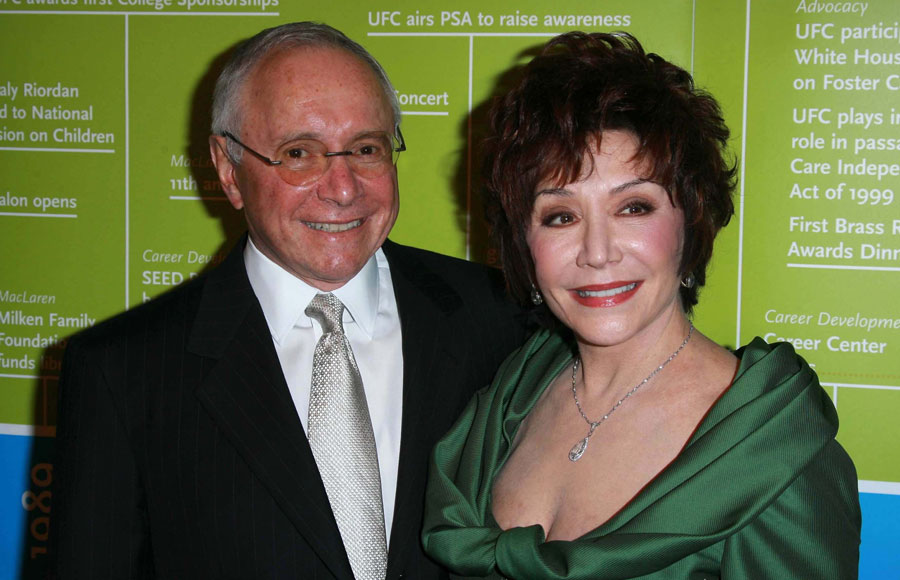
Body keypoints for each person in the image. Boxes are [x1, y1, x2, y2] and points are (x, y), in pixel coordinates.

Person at [51, 22, 527, 579]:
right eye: (299, 153)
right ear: (229, 170)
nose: (343, 187)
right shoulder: (121, 373)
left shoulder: (504, 321)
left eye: (367, 148)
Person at [422, 32, 861, 579]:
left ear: (690, 223)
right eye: (560, 215)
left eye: (633, 206)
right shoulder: (508, 397)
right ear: (523, 242)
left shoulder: (773, 456)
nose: (598, 253)